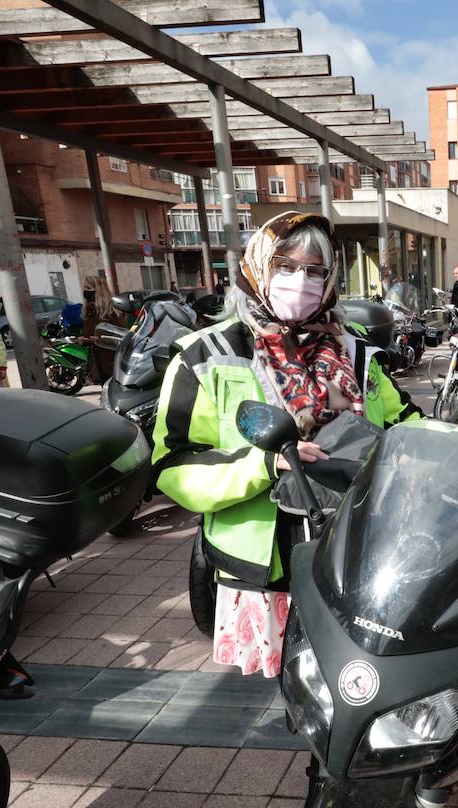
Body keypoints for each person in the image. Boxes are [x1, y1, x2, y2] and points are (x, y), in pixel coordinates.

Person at [152, 212, 422, 677]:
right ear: (258, 267)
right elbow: (171, 465)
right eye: (286, 266)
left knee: (351, 678)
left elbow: (406, 422)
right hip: (267, 562)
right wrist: (263, 464)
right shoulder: (205, 356)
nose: (301, 281)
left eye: (315, 270)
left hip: (354, 550)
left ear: (331, 278)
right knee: (283, 681)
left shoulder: (354, 352)